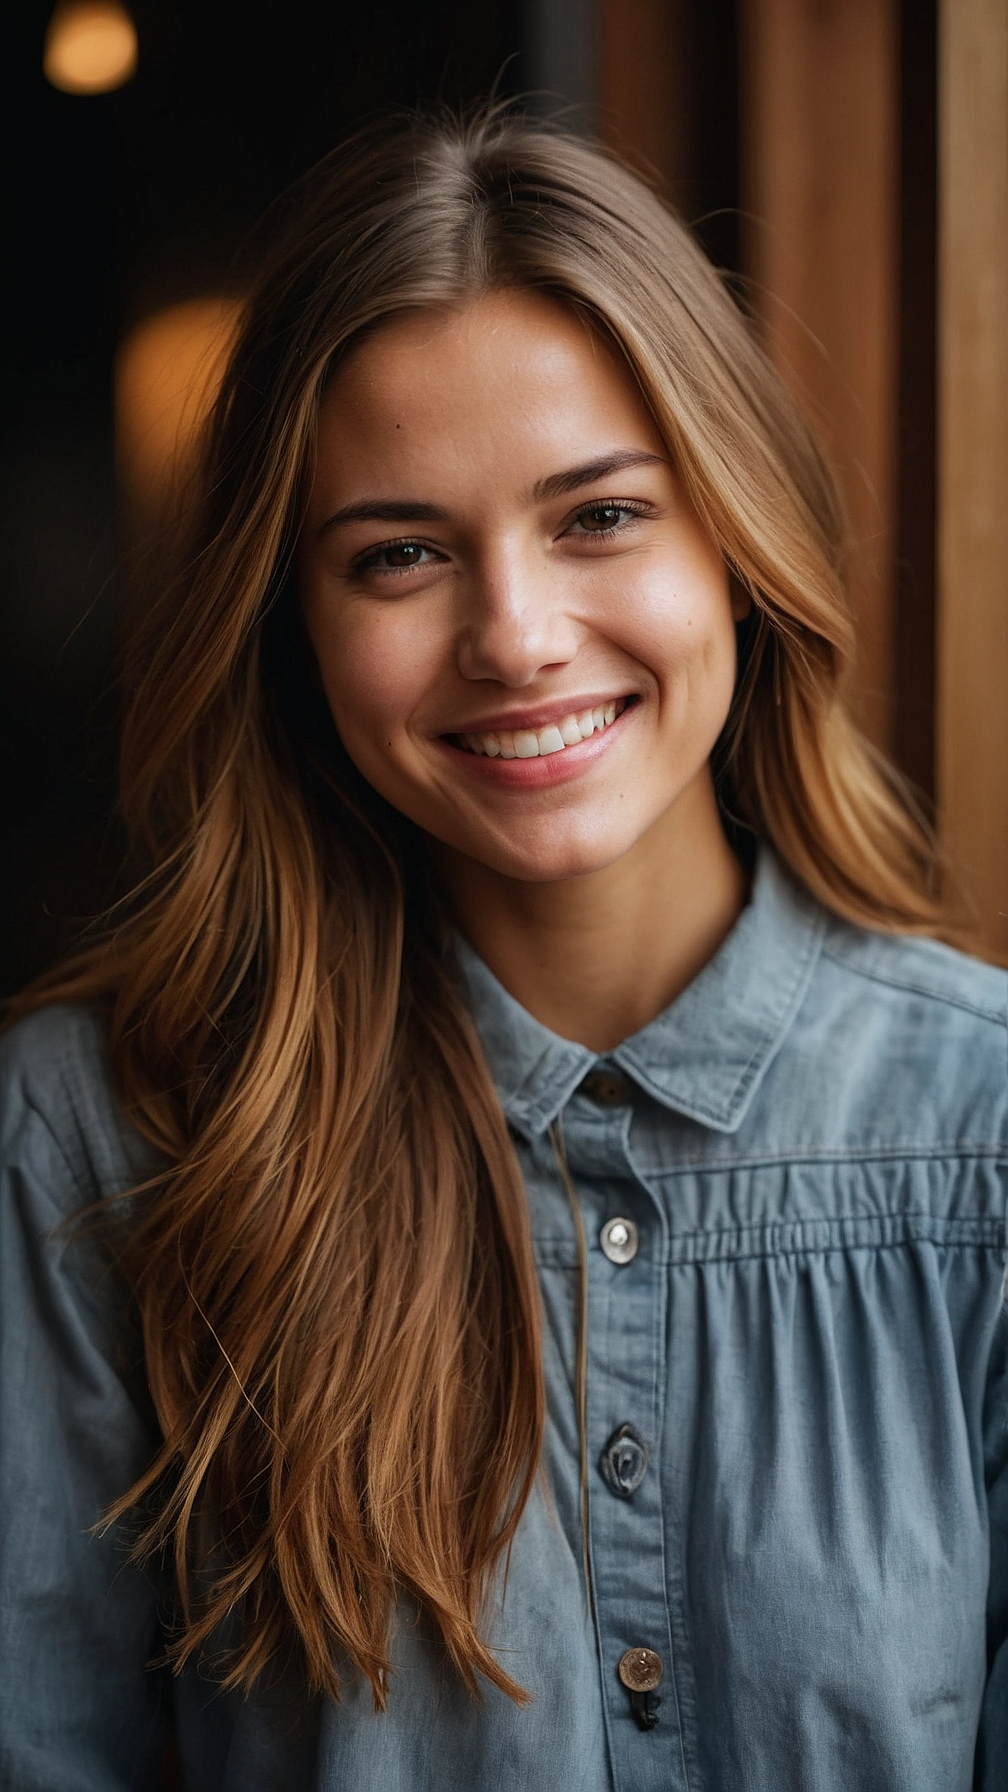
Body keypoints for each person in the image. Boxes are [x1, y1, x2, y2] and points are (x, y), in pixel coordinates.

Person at [1, 103, 1005, 1792]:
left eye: (600, 515)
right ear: (294, 627)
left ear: (737, 545)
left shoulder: (983, 1135)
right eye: (399, 554)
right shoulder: (101, 1143)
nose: (517, 637)